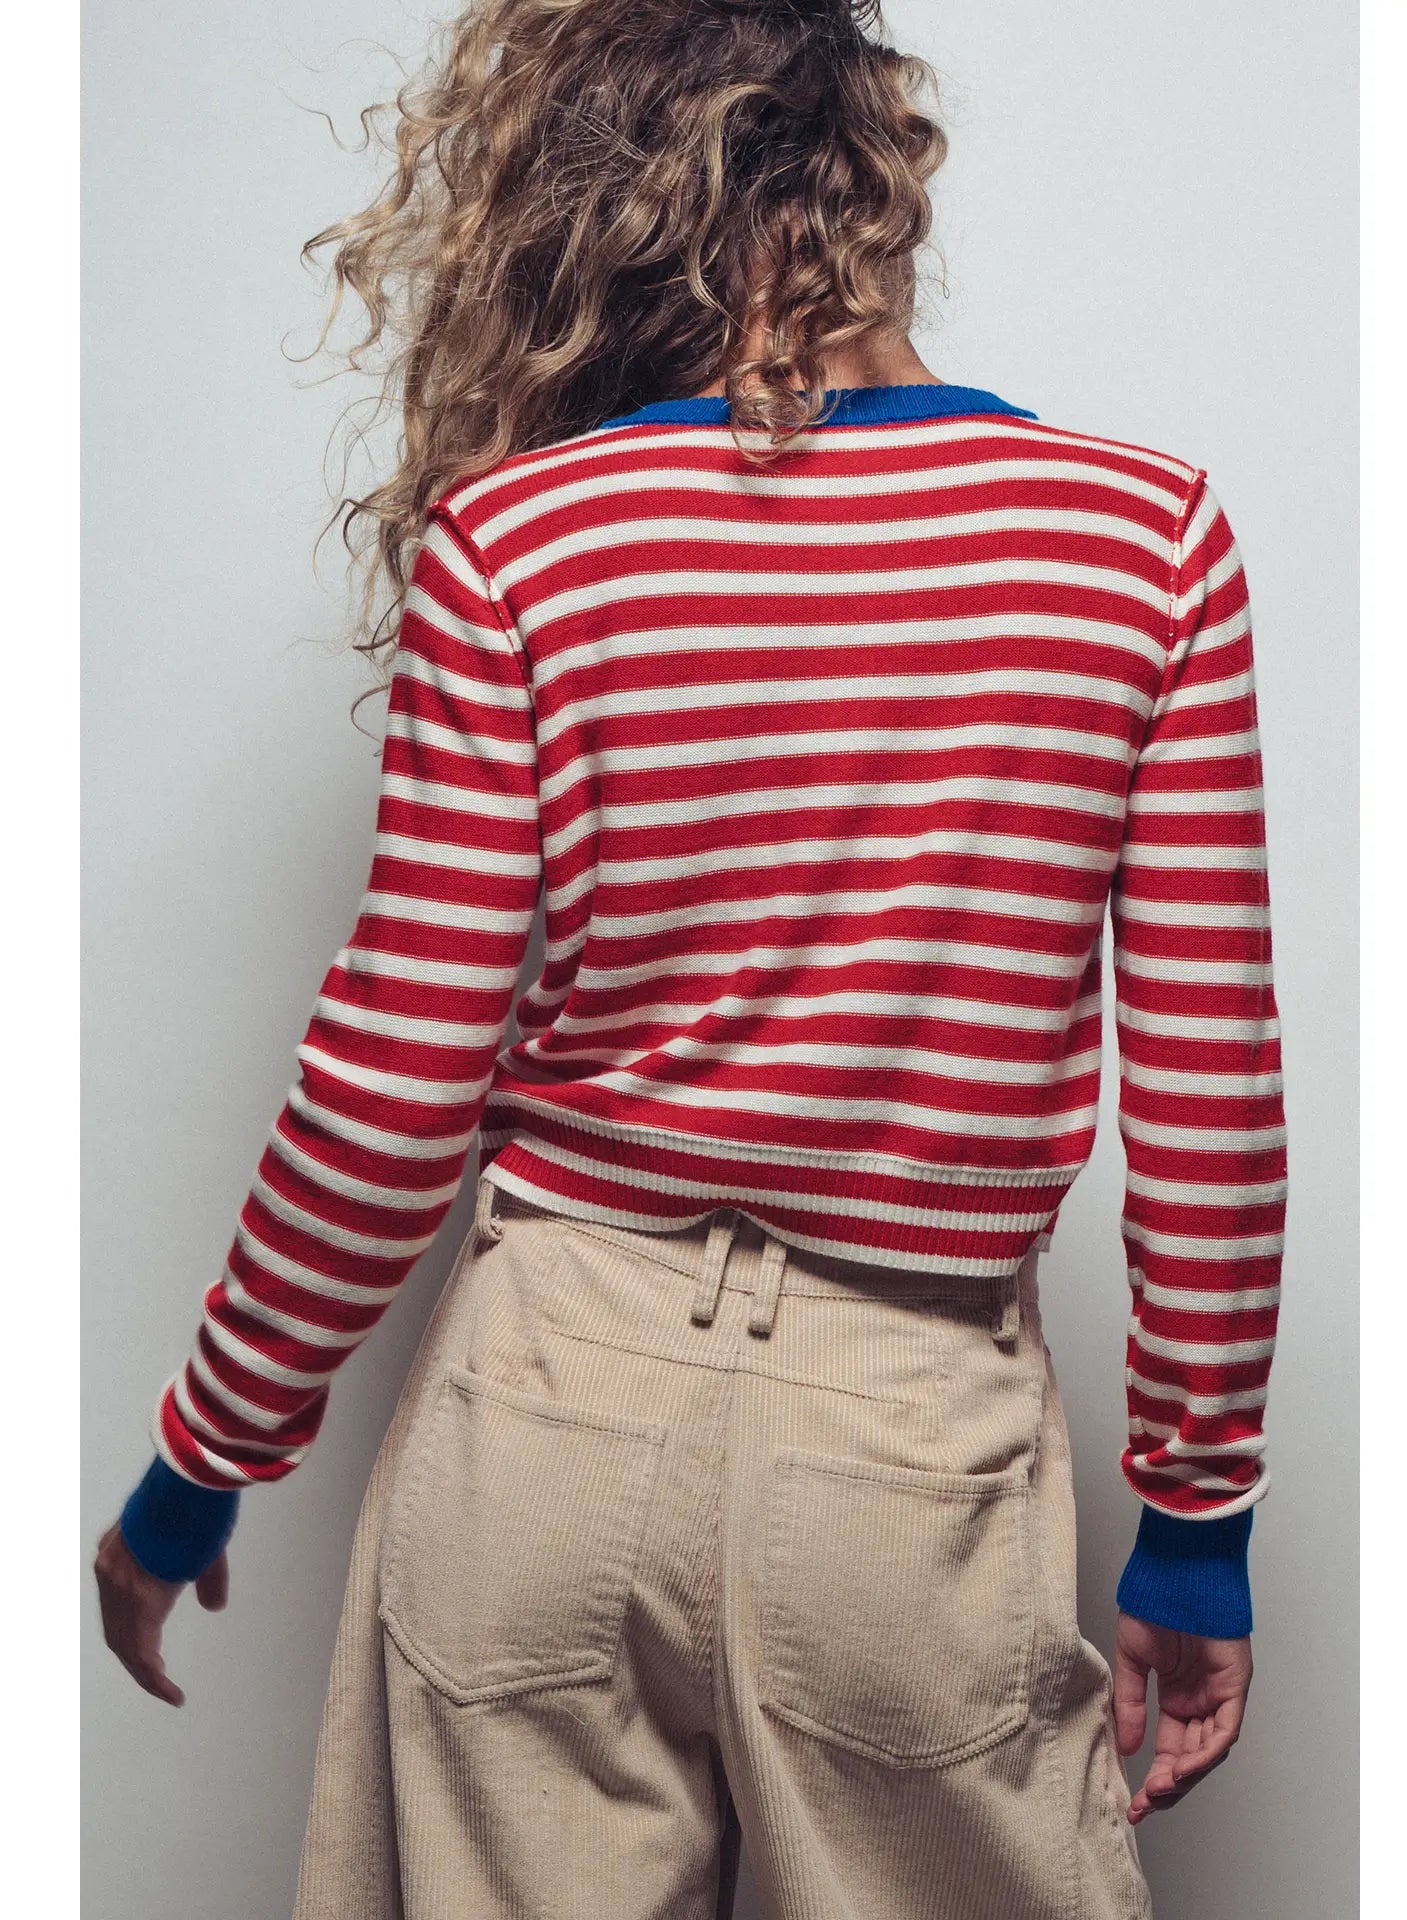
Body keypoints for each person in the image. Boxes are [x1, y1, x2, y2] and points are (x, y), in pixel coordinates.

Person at [93, 3, 1287, 1915]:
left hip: (547, 1412)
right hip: (911, 1446)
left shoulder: (521, 541)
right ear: (881, 180)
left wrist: (200, 1464)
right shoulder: (1140, 540)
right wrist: (1197, 1524)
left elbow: (393, 1078)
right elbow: (1210, 1081)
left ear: (594, 207)